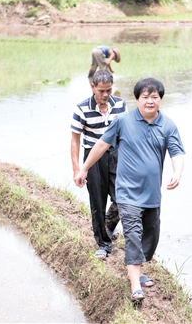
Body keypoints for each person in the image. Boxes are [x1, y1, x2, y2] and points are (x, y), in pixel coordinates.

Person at [74, 78, 185, 302]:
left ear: (160, 100)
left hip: (152, 194)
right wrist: (83, 168)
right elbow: (101, 145)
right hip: (126, 193)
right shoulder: (123, 121)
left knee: (150, 236)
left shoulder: (168, 126)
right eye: (145, 97)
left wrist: (177, 172)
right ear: (137, 99)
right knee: (133, 234)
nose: (150, 101)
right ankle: (135, 285)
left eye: (154, 97)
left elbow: (177, 152)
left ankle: (138, 271)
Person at [71, 69, 127, 260]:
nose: (105, 95)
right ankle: (103, 244)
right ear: (92, 87)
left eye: (109, 90)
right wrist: (77, 169)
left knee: (123, 198)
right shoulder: (81, 109)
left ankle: (108, 227)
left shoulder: (120, 105)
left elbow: (127, 134)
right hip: (93, 158)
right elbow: (75, 140)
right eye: (101, 91)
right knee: (97, 202)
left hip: (116, 155)